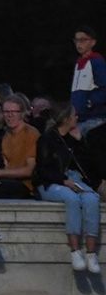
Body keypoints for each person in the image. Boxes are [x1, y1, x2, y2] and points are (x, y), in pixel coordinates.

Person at [35, 106, 102, 273]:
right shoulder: (47, 139)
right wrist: (63, 181)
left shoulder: (73, 139)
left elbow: (89, 168)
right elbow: (43, 169)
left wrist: (80, 142)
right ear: (65, 119)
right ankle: (75, 251)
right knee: (72, 199)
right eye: (74, 115)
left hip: (74, 180)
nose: (77, 117)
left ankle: (91, 253)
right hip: (51, 182)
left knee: (92, 199)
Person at [0, 93, 39, 200]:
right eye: (6, 112)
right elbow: (8, 166)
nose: (9, 115)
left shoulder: (31, 134)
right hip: (9, 180)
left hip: (26, 185)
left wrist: (0, 173)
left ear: (21, 114)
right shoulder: (6, 136)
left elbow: (29, 170)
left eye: (14, 112)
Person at [71, 26, 106, 130]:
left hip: (94, 119)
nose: (78, 44)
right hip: (79, 119)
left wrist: (90, 102)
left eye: (83, 40)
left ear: (93, 42)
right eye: (76, 40)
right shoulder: (78, 63)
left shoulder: (96, 61)